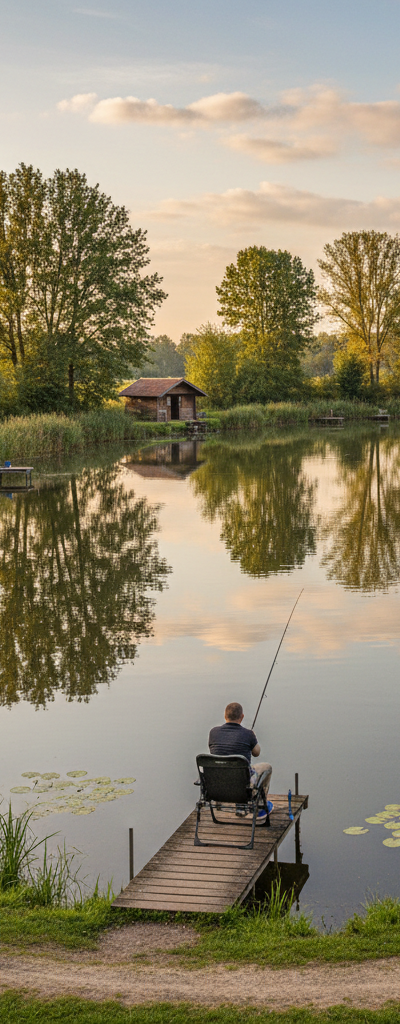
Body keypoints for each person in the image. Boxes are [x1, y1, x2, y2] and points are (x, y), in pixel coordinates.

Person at [208, 701, 272, 820]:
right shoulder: (248, 734)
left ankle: (224, 805)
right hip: (242, 786)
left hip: (217, 787)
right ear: (242, 717)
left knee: (229, 767)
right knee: (267, 767)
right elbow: (257, 753)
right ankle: (259, 807)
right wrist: (253, 737)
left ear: (224, 716)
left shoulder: (213, 732)